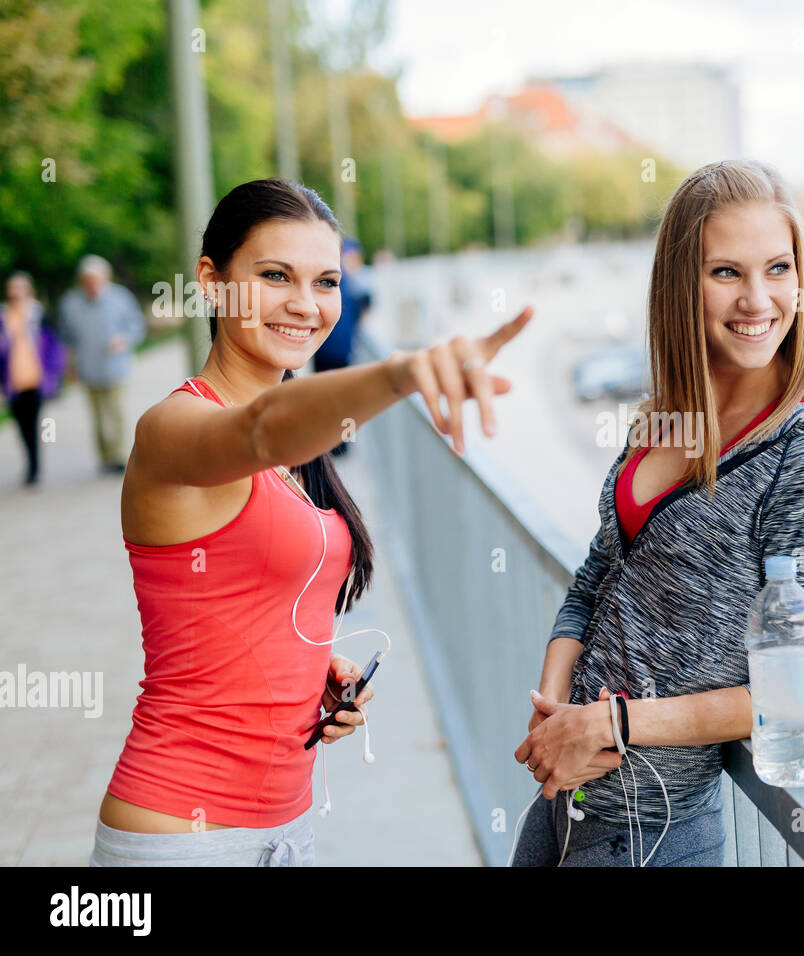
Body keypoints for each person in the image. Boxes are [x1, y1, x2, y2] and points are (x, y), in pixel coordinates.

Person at [91, 179, 532, 866]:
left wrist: (301, 669)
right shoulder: (172, 428)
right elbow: (263, 429)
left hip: (284, 828)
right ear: (211, 282)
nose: (305, 303)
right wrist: (402, 374)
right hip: (181, 835)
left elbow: (239, 592)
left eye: (325, 281)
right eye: (274, 276)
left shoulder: (302, 452)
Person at [511, 160, 804, 867]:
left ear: (801, 282)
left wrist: (610, 723)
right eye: (726, 272)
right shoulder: (667, 421)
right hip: (563, 806)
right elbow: (594, 579)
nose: (757, 299)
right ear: (682, 287)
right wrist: (555, 708)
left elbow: (798, 698)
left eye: (778, 268)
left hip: (654, 833)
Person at [57, 255, 147, 475]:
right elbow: (67, 337)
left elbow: (136, 325)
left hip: (116, 366)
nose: (91, 285)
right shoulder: (70, 303)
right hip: (88, 368)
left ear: (105, 278)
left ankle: (117, 455)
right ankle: (105, 456)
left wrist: (124, 340)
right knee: (97, 414)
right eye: (87, 280)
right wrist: (69, 367)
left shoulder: (120, 297)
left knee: (115, 411)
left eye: (96, 279)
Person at [0, 271, 65, 485]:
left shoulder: (39, 314)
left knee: (36, 424)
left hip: (36, 379)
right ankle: (31, 464)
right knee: (21, 426)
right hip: (13, 382)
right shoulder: (3, 316)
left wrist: (55, 375)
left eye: (20, 289)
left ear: (29, 291)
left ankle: (35, 469)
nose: (15, 293)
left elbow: (53, 346)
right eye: (12, 289)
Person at [313, 237, 371, 456]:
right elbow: (361, 310)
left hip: (323, 349)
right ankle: (342, 444)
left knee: (327, 398)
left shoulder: (329, 279)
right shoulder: (347, 281)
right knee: (344, 401)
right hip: (340, 349)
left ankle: (331, 443)